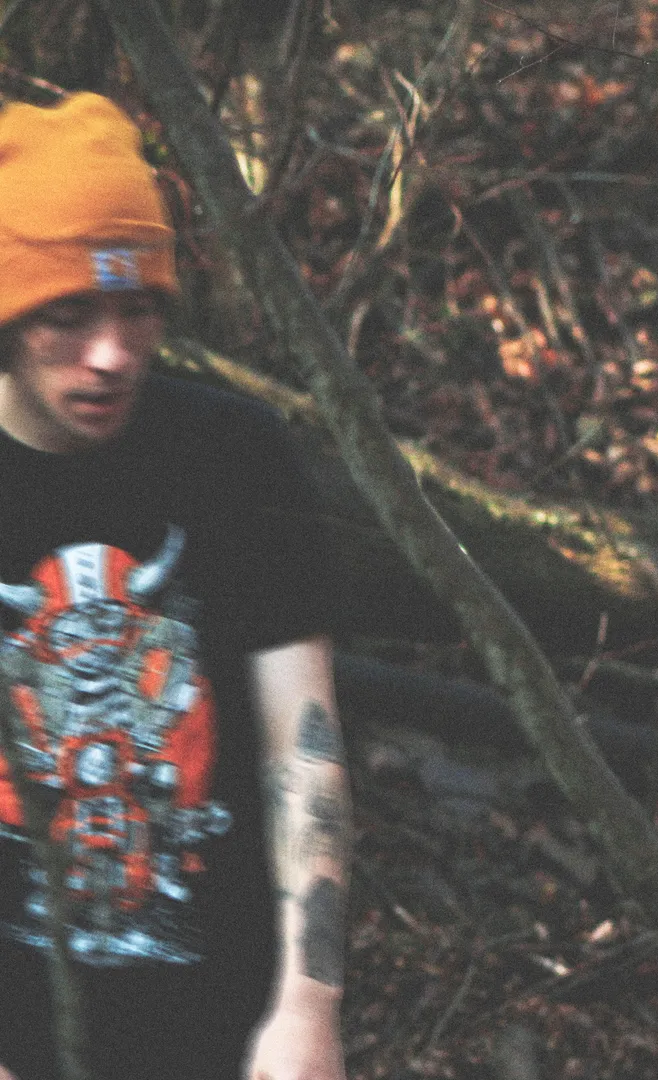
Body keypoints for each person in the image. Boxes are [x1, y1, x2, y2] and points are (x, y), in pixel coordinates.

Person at [0, 93, 350, 1080]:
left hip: (219, 1027)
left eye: (138, 309)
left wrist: (309, 1008)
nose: (112, 356)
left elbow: (304, 750)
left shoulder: (235, 459)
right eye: (68, 316)